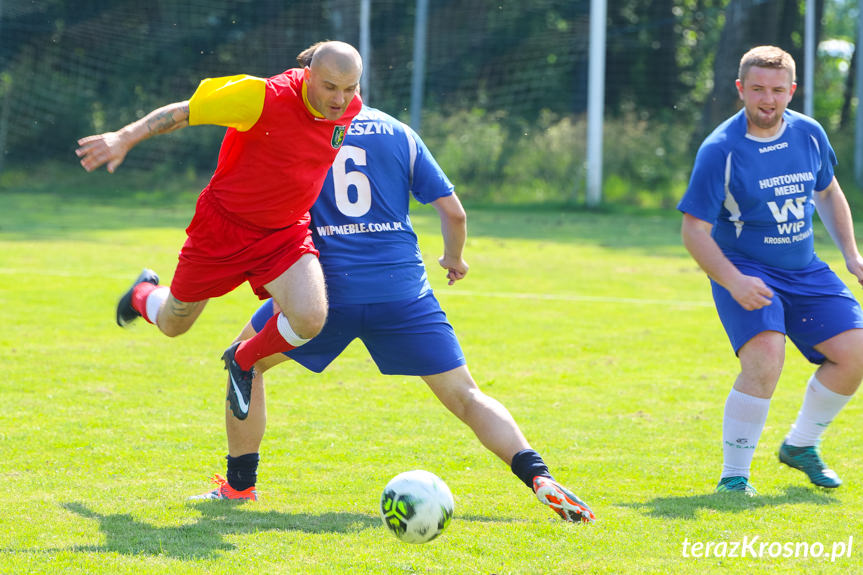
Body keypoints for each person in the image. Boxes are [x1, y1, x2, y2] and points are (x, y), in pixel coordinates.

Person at [188, 94, 595, 523]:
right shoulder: (400, 132)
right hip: (403, 292)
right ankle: (538, 476)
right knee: (466, 395)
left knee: (244, 361)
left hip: (327, 290)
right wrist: (454, 259)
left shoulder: (298, 131)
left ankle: (238, 487)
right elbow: (454, 214)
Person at [76, 42, 364, 421]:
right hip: (222, 230)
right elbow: (184, 112)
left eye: (350, 88)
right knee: (173, 325)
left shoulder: (350, 108)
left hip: (283, 234)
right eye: (330, 87)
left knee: (311, 318)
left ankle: (243, 358)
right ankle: (143, 294)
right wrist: (125, 137)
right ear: (308, 74)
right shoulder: (259, 96)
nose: (340, 99)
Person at [678, 45, 863, 495]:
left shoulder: (809, 134)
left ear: (792, 90)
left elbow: (828, 193)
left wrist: (852, 255)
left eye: (778, 90)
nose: (768, 99)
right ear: (740, 89)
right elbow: (694, 231)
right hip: (744, 267)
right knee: (764, 359)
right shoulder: (720, 150)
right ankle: (734, 476)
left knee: (856, 353)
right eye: (757, 89)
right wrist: (734, 281)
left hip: (804, 267)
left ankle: (801, 445)